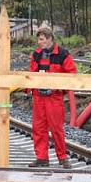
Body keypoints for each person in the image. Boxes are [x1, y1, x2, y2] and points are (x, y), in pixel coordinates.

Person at [28, 26, 77, 168]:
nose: (39, 42)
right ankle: (42, 157)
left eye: (42, 39)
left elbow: (72, 74)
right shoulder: (36, 54)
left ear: (50, 39)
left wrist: (59, 88)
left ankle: (62, 158)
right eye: (38, 39)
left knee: (56, 128)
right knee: (38, 128)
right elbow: (31, 73)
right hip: (39, 97)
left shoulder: (63, 54)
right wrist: (30, 90)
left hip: (54, 97)